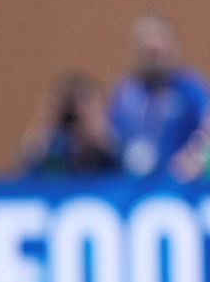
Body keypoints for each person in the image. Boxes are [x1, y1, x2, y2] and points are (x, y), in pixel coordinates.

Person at [109, 14, 210, 179]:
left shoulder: (192, 89)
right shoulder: (125, 94)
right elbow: (113, 136)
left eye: (159, 54)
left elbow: (207, 129)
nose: (155, 61)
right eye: (148, 54)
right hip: (135, 185)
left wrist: (196, 157)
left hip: (181, 184)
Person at [20, 73, 120, 175]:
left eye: (85, 99)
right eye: (72, 103)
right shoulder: (55, 147)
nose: (79, 110)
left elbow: (128, 171)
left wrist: (103, 140)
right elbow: (26, 173)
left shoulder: (115, 142)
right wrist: (45, 125)